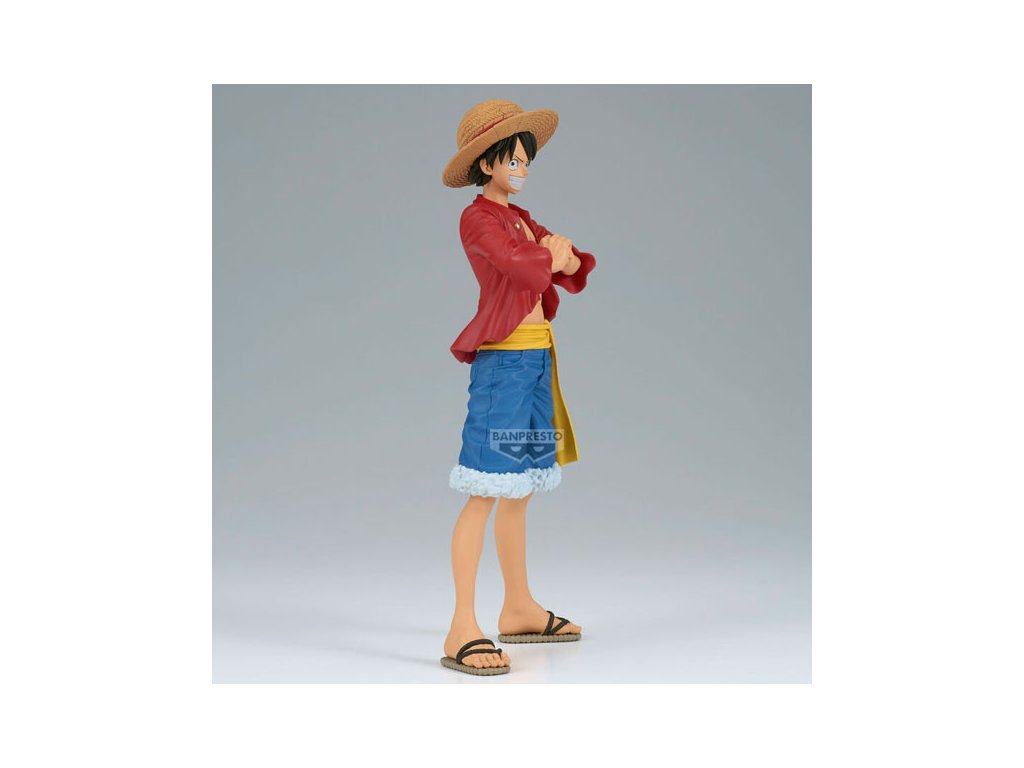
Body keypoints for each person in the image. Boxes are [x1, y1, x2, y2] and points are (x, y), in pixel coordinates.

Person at [438, 99, 597, 675]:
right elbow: (523, 264)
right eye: (513, 158)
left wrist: (558, 255)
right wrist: (550, 254)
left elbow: (572, 265)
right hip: (503, 368)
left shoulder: (524, 219)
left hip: (536, 363)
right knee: (484, 486)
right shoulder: (478, 219)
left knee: (521, 485)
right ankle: (461, 625)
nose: (523, 167)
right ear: (487, 163)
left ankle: (519, 606)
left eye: (526, 159)